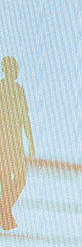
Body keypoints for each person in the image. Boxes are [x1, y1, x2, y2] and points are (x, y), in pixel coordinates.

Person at [0, 56, 34, 231]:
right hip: (3, 142)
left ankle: (3, 209)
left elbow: (24, 116)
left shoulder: (19, 90)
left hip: (16, 143)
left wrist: (30, 140)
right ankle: (5, 212)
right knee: (5, 181)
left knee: (20, 179)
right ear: (6, 69)